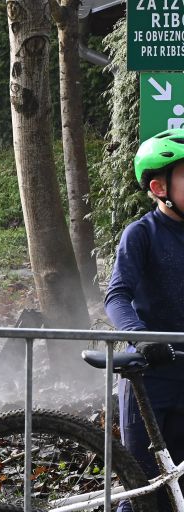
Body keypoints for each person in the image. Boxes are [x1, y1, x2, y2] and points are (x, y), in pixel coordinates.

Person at [105, 128, 184, 512]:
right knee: (143, 492)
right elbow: (117, 296)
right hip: (151, 377)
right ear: (159, 186)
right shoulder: (141, 234)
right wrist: (142, 337)